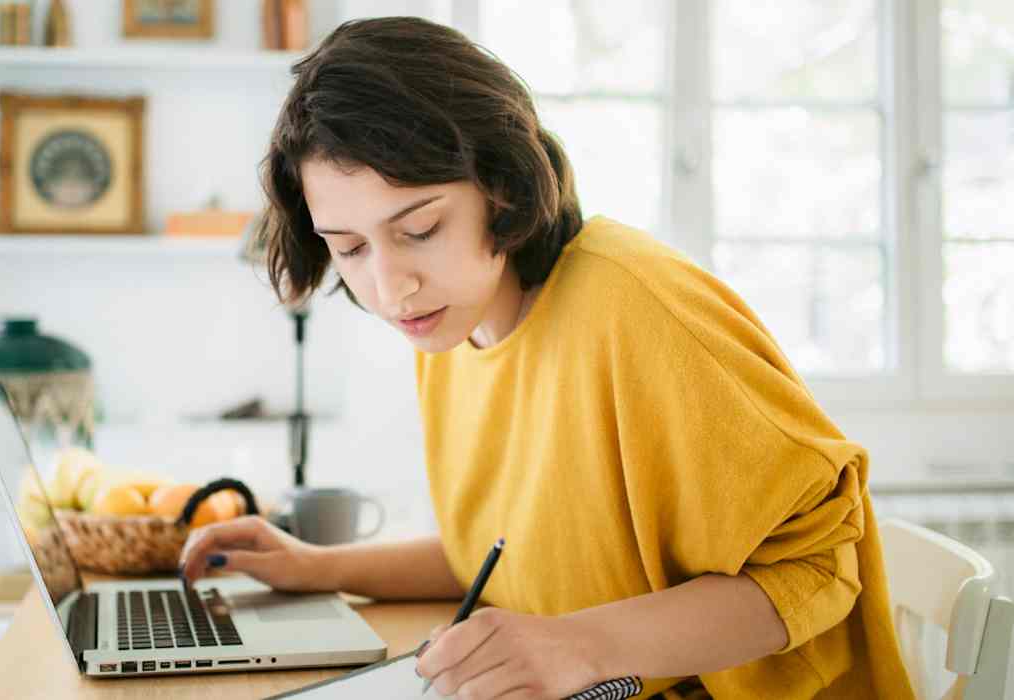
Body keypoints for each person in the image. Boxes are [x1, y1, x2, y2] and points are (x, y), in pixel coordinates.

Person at [178, 16, 915, 699]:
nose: (389, 287)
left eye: (421, 228)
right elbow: (508, 551)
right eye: (351, 248)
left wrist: (581, 646)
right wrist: (315, 567)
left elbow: (819, 568)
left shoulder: (635, 307)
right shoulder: (448, 325)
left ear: (501, 185)